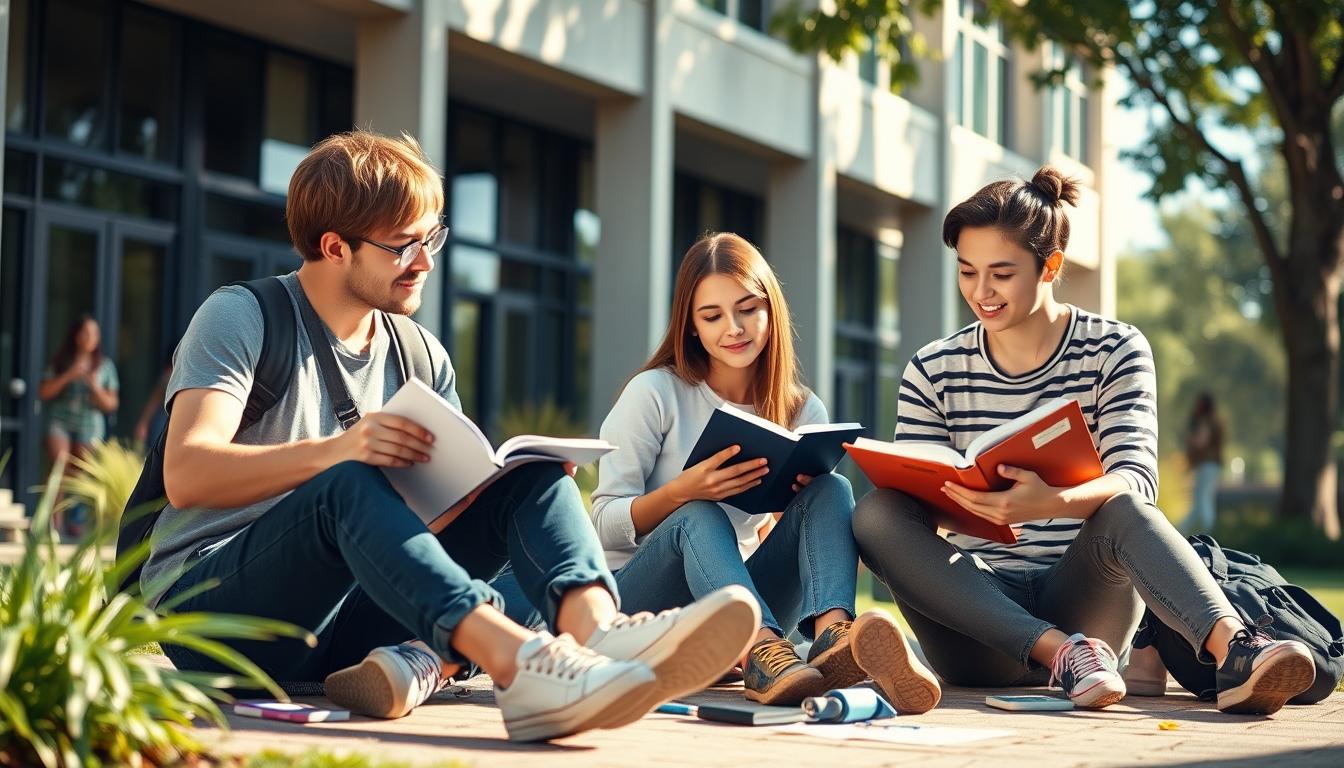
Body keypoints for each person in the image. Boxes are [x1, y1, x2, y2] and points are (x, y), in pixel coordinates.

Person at [143, 130, 758, 742]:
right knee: (346, 483)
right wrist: (343, 449)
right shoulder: (244, 316)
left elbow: (423, 529)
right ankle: (524, 667)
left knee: (531, 475)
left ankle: (594, 634)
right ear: (334, 247)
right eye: (403, 246)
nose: (427, 261)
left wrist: (499, 495)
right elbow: (189, 473)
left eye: (431, 237)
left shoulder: (420, 356)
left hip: (340, 623)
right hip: (217, 620)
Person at [851, 167, 1315, 714]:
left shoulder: (1114, 350)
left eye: (1001, 273)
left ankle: (1238, 654)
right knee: (877, 511)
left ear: (1050, 266)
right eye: (968, 272)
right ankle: (1058, 654)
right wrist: (975, 502)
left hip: (1087, 600)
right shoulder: (932, 368)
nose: (981, 292)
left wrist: (1052, 502)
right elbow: (916, 511)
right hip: (978, 624)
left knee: (1127, 508)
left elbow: (1137, 479)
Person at [589, 232, 939, 712]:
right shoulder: (654, 393)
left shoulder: (800, 409)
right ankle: (759, 650)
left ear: (771, 311)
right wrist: (682, 492)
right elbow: (604, 522)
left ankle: (834, 638)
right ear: (690, 326)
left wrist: (786, 503)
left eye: (748, 309)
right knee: (700, 514)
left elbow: (794, 533)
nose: (733, 328)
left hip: (737, 602)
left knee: (831, 488)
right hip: (639, 603)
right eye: (712, 316)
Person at [38, 314, 119, 536]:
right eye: (85, 333)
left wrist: (94, 386)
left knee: (81, 473)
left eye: (94, 334)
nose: (89, 338)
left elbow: (111, 404)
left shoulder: (104, 366)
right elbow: (44, 391)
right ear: (76, 336)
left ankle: (77, 521)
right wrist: (68, 375)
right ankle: (54, 524)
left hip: (89, 425)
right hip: (61, 421)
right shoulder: (62, 361)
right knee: (59, 468)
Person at [1181, 392, 1223, 535]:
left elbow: (1201, 442)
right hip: (1212, 465)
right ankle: (1201, 530)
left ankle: (1201, 532)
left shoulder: (1205, 422)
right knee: (1205, 499)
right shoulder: (1215, 421)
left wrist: (1189, 439)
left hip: (1206, 465)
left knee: (1202, 500)